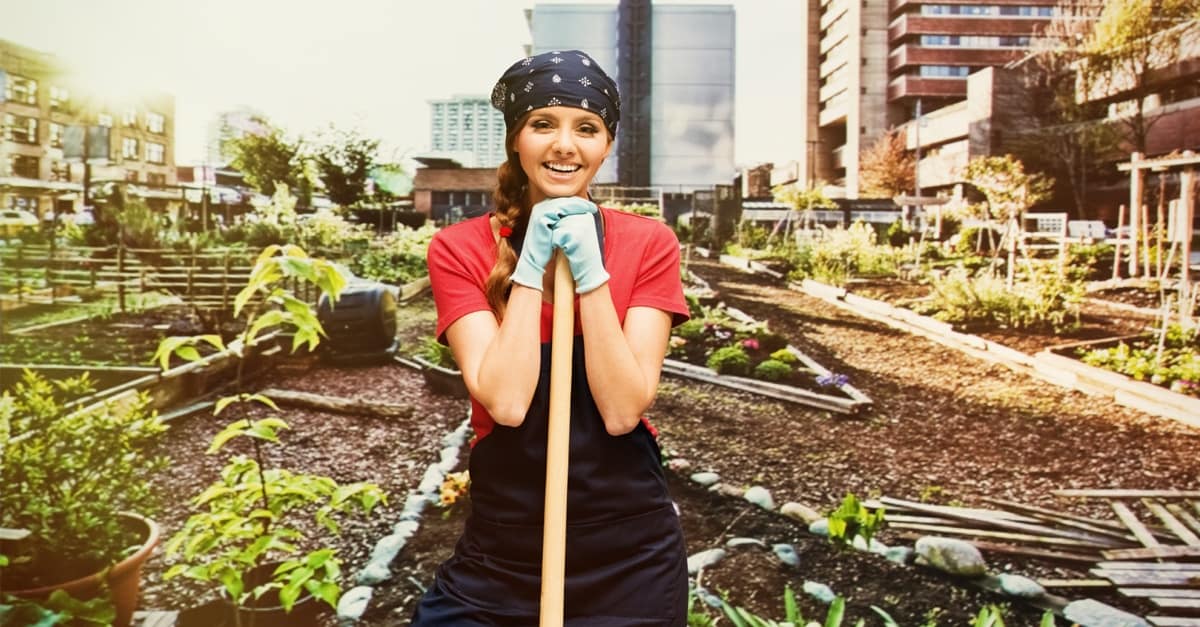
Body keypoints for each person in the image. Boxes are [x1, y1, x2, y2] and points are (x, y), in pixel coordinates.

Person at [412, 49, 690, 626]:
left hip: (629, 552)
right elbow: (507, 403)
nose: (565, 145)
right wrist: (529, 268)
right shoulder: (460, 250)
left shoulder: (648, 243)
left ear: (606, 145)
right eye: (544, 124)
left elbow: (620, 411)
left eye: (586, 128)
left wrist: (591, 276)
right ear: (517, 138)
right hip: (504, 551)